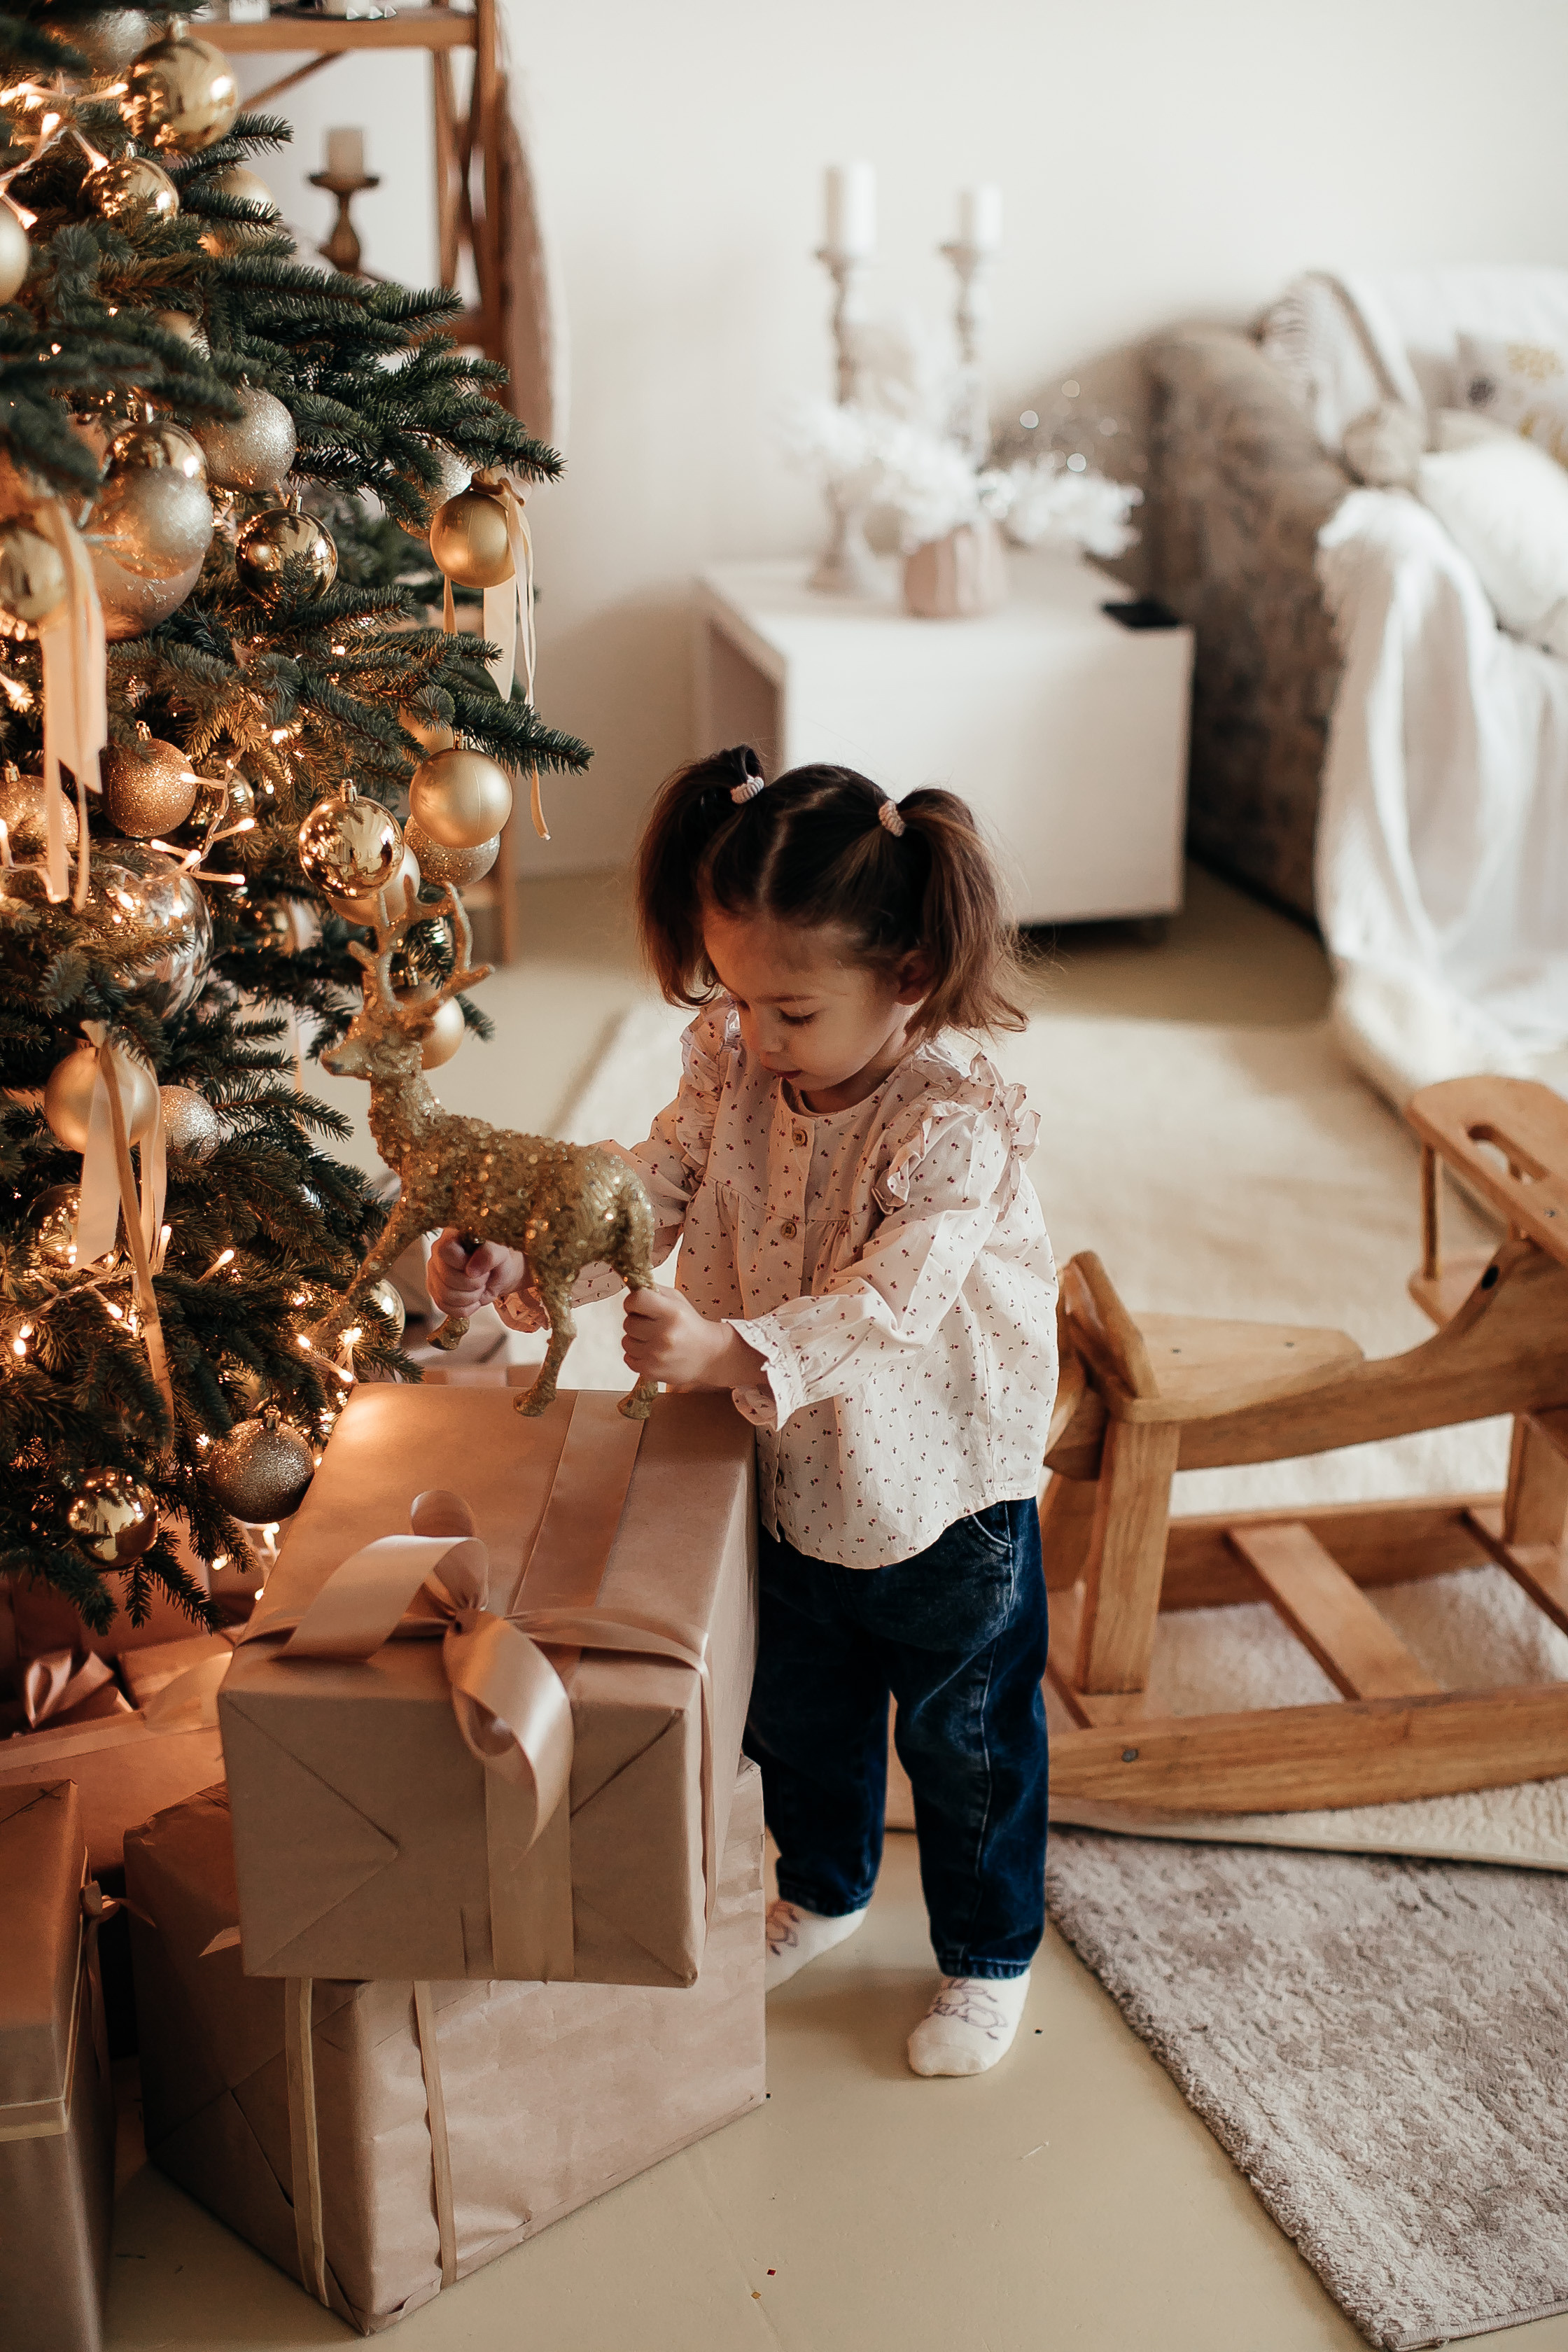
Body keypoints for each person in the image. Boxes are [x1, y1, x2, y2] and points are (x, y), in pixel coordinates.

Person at [426, 748, 1058, 2078]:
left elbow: (891, 1304)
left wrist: (727, 1348)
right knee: (802, 1711)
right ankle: (826, 1889)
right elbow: (652, 1182)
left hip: (940, 1493)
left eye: (793, 1011)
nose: (760, 1038)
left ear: (909, 976)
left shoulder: (955, 1123)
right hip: (781, 1466)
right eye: (738, 998)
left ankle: (987, 1954)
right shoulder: (734, 1058)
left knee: (966, 1741)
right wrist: (530, 1250)